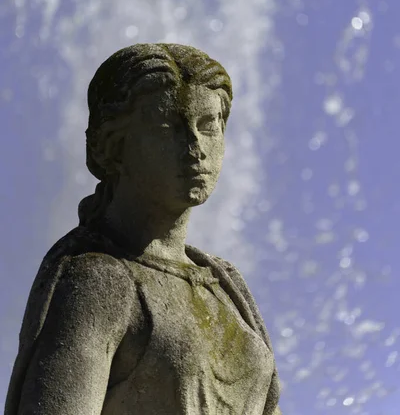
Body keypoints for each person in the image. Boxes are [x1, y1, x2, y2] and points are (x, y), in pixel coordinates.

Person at [5, 43, 282, 415]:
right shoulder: (97, 279)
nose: (195, 147)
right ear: (111, 147)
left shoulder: (228, 284)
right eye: (167, 126)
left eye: (208, 126)